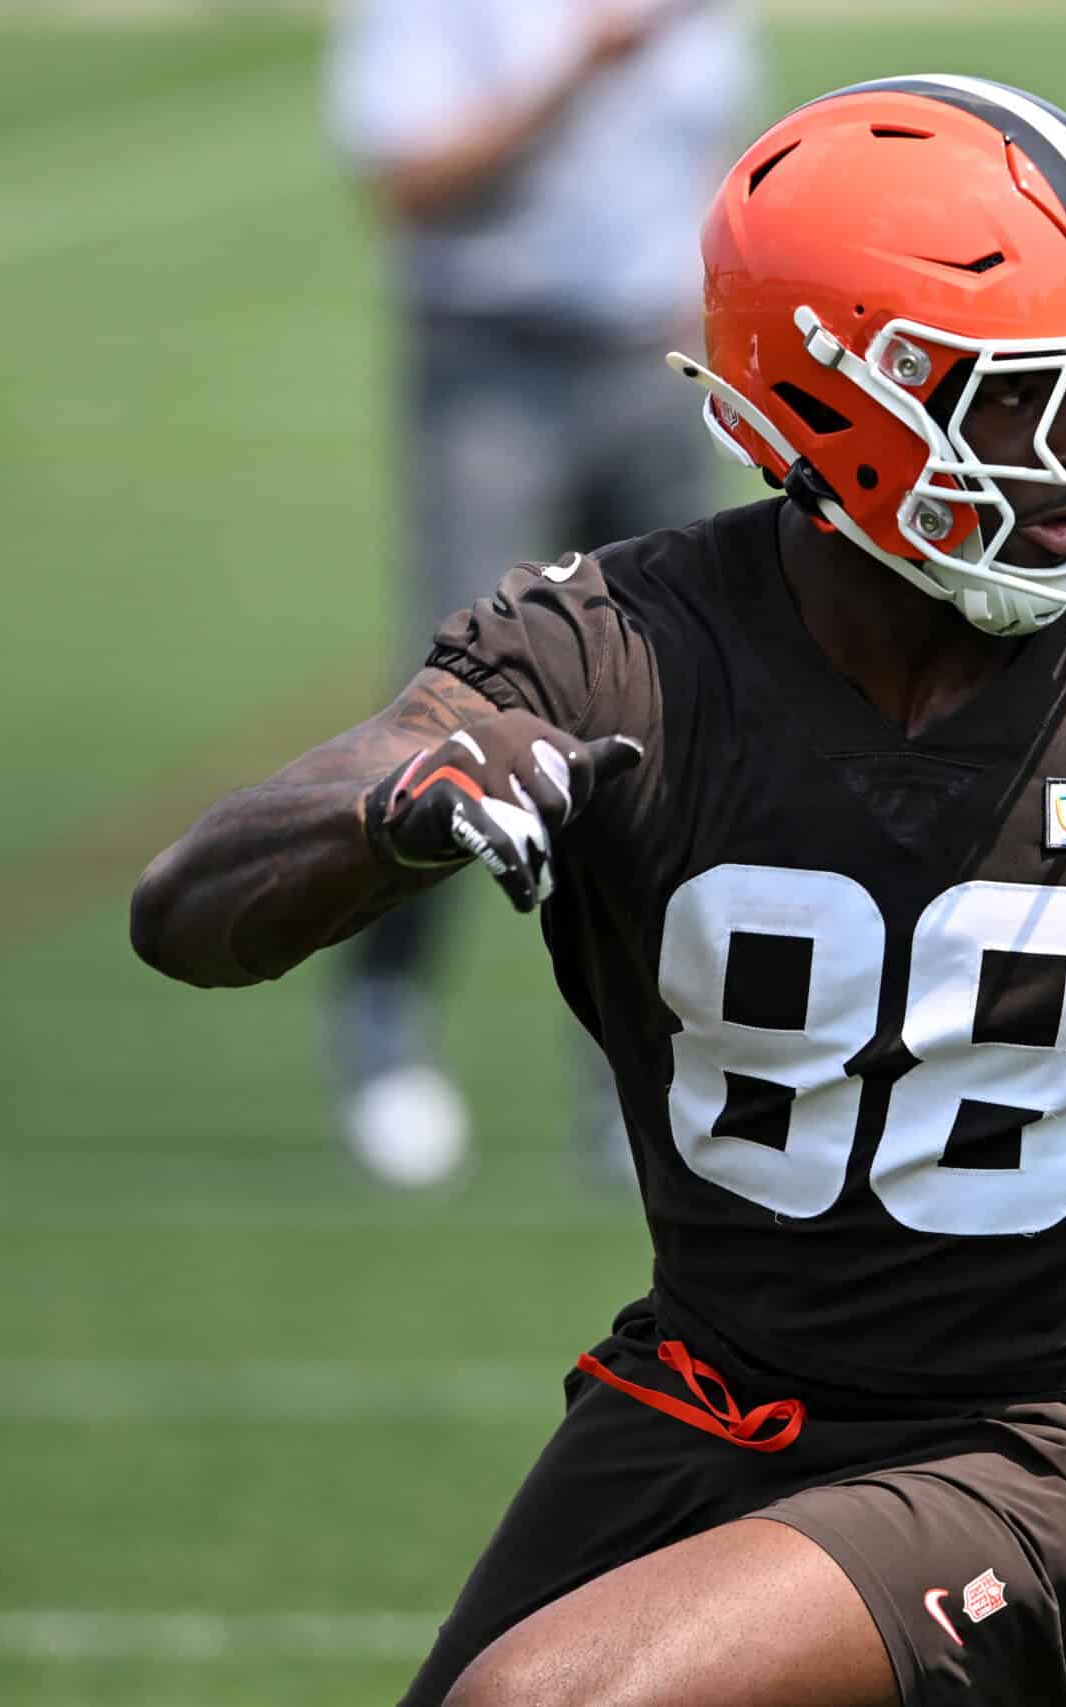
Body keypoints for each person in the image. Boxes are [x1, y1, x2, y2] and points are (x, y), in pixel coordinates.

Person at [132, 74, 1066, 1707]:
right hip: (703, 1395)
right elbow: (189, 916)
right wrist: (395, 811)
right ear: (834, 410)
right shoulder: (622, 658)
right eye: (1033, 403)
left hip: (1036, 1457)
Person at [325, 0, 753, 1187]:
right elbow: (410, 181)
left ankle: (633, 1065)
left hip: (651, 365)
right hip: (494, 359)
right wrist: (579, 68)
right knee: (456, 694)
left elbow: (713, 157)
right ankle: (384, 1027)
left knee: (662, 707)